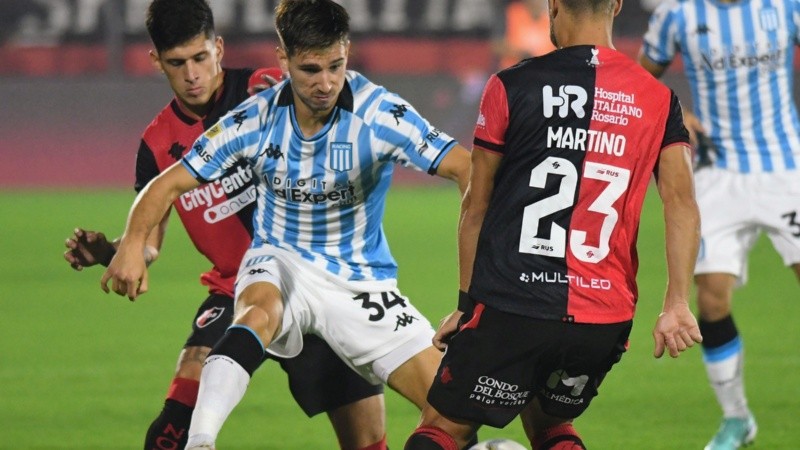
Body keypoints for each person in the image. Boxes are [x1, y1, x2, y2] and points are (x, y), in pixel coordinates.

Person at [99, 0, 472, 449]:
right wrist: (130, 244)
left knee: (452, 415)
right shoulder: (251, 120)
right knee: (252, 317)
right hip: (276, 262)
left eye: (335, 66)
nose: (326, 83)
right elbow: (165, 185)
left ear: (347, 52)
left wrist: (476, 285)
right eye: (311, 69)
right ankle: (201, 441)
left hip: (358, 282)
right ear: (284, 60)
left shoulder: (378, 114)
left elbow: (467, 168)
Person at [404, 0, 704, 448]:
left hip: (513, 305)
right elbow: (681, 202)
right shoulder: (659, 99)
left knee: (439, 429)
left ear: (553, 5)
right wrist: (676, 300)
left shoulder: (511, 84)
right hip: (602, 320)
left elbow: (475, 206)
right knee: (550, 427)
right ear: (617, 5)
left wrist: (467, 306)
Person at [639, 1, 800, 448]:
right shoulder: (677, 15)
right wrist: (676, 114)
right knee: (709, 300)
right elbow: (640, 81)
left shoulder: (785, 7)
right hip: (717, 174)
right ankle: (737, 419)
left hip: (787, 170)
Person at [492, 0, 556, 69]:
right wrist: (522, 54)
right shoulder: (512, 12)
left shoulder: (551, 21)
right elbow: (496, 45)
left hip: (541, 74)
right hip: (512, 73)